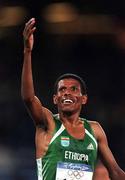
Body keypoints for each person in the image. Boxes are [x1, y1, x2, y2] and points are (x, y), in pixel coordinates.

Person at [21, 18, 125, 180]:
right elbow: (28, 98)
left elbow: (115, 172)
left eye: (73, 89)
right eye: (62, 89)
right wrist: (27, 52)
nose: (67, 93)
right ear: (55, 99)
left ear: (84, 99)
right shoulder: (48, 123)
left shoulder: (95, 130)